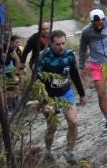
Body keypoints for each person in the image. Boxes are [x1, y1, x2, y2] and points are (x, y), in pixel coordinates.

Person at [29, 28, 86, 160]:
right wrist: (44, 102)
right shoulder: (43, 57)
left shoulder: (69, 54)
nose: (61, 47)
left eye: (63, 43)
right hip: (49, 96)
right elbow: (37, 83)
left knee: (73, 122)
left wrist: (82, 94)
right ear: (50, 43)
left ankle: (69, 152)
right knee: (52, 126)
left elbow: (74, 75)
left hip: (65, 92)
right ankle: (48, 151)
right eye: (58, 44)